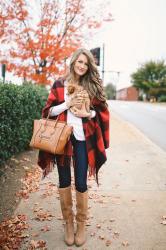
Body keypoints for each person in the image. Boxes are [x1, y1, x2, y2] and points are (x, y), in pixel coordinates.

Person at [38, 48, 110, 247]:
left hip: (82, 140)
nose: (82, 66)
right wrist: (66, 104)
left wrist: (89, 115)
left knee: (80, 182)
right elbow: (48, 111)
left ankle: (81, 225)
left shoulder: (91, 86)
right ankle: (68, 224)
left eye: (86, 64)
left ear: (89, 67)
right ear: (73, 62)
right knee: (63, 181)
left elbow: (102, 111)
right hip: (62, 138)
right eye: (79, 62)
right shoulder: (59, 84)